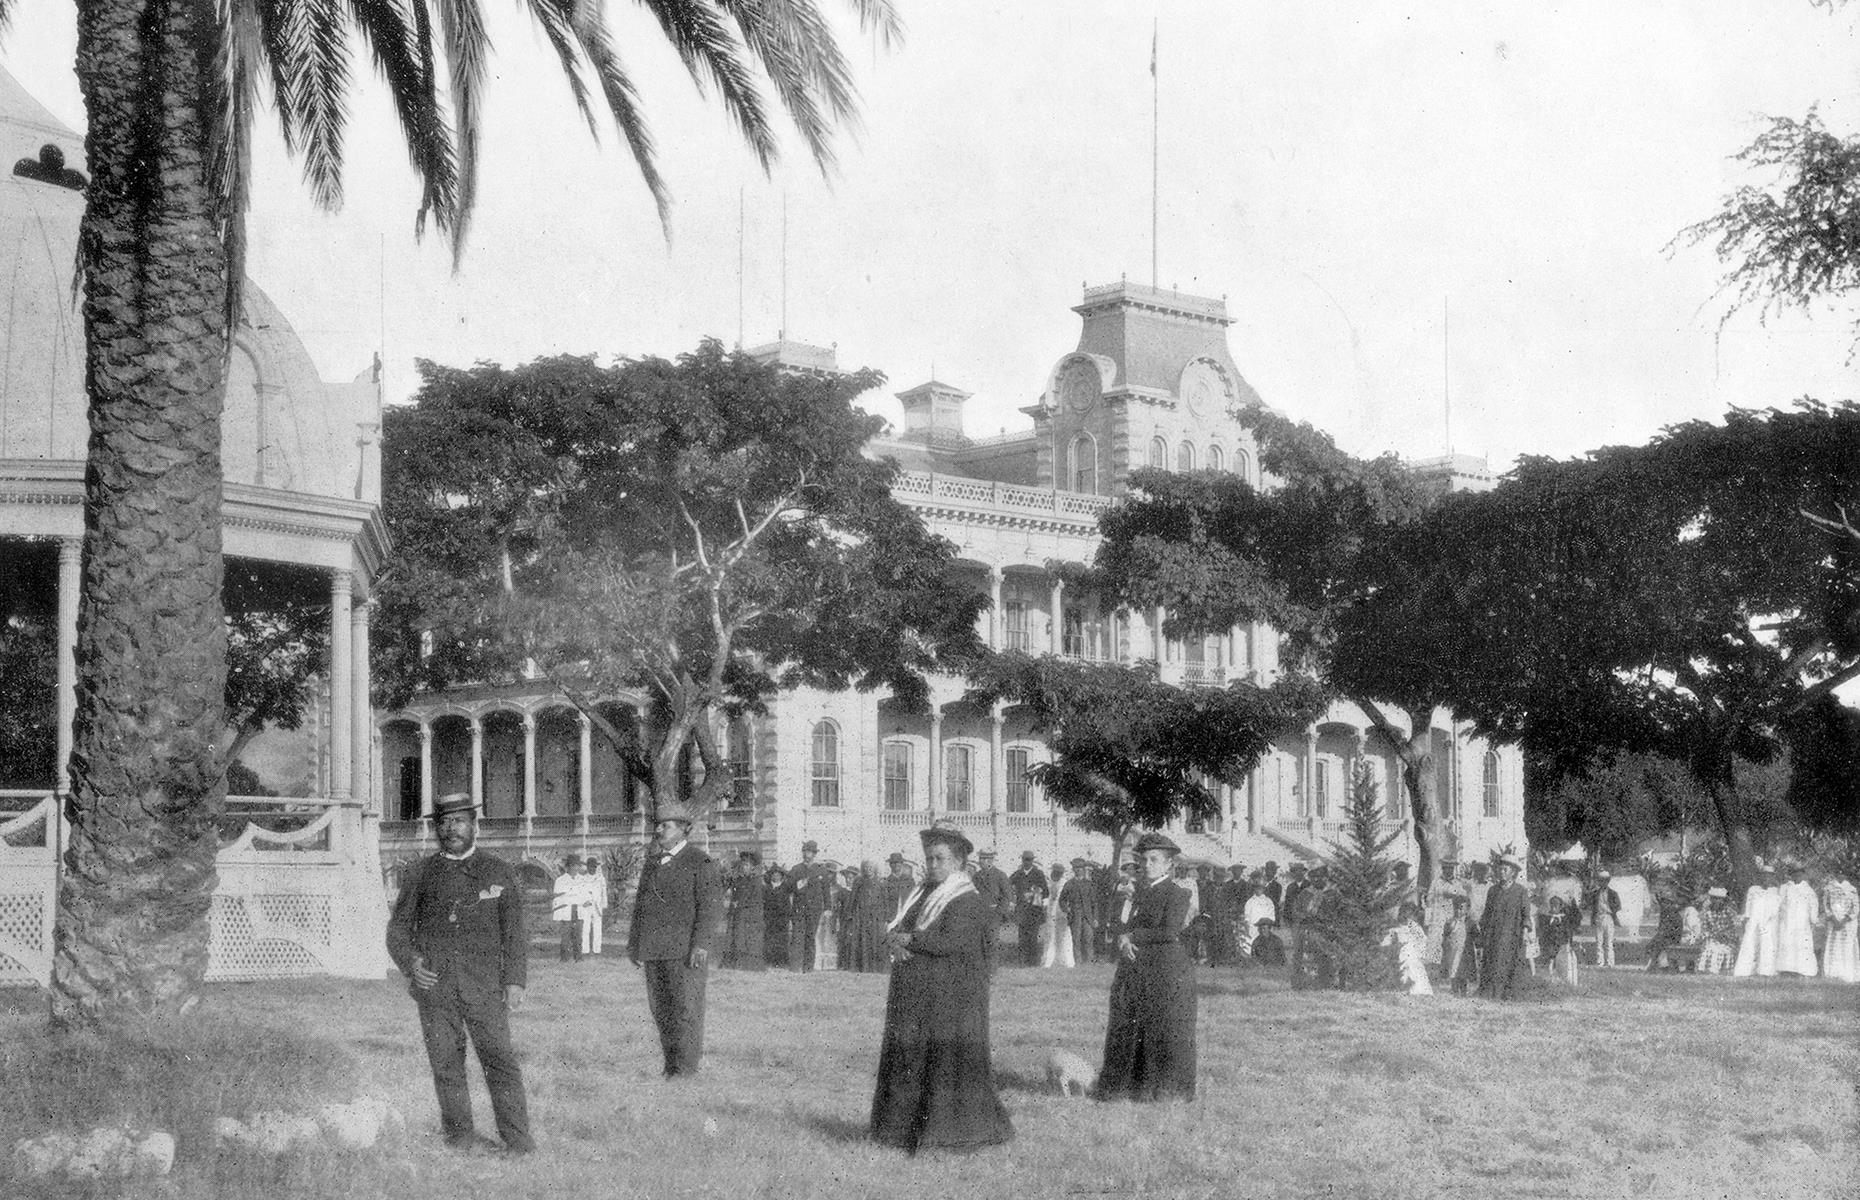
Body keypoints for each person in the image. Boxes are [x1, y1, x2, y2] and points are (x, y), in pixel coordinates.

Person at [385, 793, 534, 1155]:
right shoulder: (421, 872)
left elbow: (515, 932)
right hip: (435, 988)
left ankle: (518, 1142)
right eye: (444, 822)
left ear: (474, 825)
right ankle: (460, 1138)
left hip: (485, 987)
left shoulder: (497, 871)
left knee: (500, 1060)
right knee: (446, 1064)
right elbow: (398, 930)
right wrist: (412, 964)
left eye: (459, 821)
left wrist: (514, 981)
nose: (451, 828)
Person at [869, 825, 1014, 1155]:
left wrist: (910, 941)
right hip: (919, 994)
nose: (933, 864)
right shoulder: (922, 894)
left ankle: (948, 1134)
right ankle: (899, 1133)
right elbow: (900, 928)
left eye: (941, 858)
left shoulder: (967, 899)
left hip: (952, 1000)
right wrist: (896, 942)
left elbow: (950, 942)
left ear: (960, 861)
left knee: (943, 1065)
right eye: (929, 858)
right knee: (911, 1060)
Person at [1096, 831, 1197, 1103]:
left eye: (1154, 860)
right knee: (1128, 1025)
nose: (1148, 865)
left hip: (1164, 970)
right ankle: (1128, 1085)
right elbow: (1122, 925)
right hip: (1134, 969)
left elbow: (1169, 931)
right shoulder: (1136, 892)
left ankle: (1166, 1088)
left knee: (1161, 1029)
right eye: (1145, 860)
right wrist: (1123, 937)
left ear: (1168, 865)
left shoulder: (1177, 893)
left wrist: (1132, 937)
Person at [627, 803, 724, 1077]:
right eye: (657, 825)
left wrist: (701, 944)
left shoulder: (699, 861)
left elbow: (710, 906)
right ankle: (671, 1067)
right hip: (654, 950)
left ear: (684, 830)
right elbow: (641, 906)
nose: (658, 830)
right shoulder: (653, 862)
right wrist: (635, 943)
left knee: (686, 1010)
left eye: (665, 826)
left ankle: (685, 1070)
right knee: (661, 1010)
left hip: (685, 952)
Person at [1477, 855, 1531, 1000]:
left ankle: (1508, 993)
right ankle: (1492, 993)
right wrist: (1482, 931)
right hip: (1494, 933)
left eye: (1505, 869)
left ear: (1513, 872)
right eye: (1500, 869)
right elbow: (1487, 913)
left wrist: (1525, 932)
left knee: (1509, 962)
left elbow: (1526, 914)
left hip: (1512, 934)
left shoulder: (1520, 891)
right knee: (1493, 961)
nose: (1501, 872)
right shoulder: (1493, 890)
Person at [786, 841, 835, 973]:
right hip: (799, 909)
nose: (806, 855)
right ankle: (795, 967)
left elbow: (826, 891)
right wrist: (798, 884)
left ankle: (808, 968)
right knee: (797, 937)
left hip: (814, 910)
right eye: (805, 852)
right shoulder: (796, 869)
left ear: (814, 854)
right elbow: (788, 887)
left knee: (810, 937)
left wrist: (828, 908)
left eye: (809, 852)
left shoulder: (821, 870)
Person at [1733, 869, 1781, 978]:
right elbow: (1748, 906)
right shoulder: (1753, 890)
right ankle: (1746, 970)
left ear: (1772, 877)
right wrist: (1747, 918)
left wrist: (1769, 919)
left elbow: (1776, 908)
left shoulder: (1775, 891)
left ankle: (1765, 970)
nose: (1766, 878)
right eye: (1763, 876)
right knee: (1750, 942)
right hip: (1754, 920)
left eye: (1769, 876)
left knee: (1767, 944)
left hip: (1769, 921)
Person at [1775, 864, 1821, 977]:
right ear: (1791, 875)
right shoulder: (1785, 888)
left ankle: (1802, 970)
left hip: (1802, 922)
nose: (1797, 876)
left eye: (1799, 874)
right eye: (1794, 874)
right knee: (1787, 943)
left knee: (1801, 944)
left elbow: (1813, 905)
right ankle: (1786, 969)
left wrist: (1813, 919)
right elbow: (1778, 903)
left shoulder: (1808, 890)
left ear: (1803, 875)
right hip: (1787, 921)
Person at [724, 851, 766, 970]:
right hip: (739, 915)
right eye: (743, 865)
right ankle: (737, 964)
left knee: (750, 941)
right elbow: (734, 896)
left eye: (747, 865)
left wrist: (740, 904)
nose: (744, 868)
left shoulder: (756, 881)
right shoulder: (738, 880)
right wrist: (733, 906)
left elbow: (756, 900)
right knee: (738, 939)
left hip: (752, 917)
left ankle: (750, 965)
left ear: (753, 867)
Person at [1009, 851, 1050, 967]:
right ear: (1022, 860)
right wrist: (1012, 900)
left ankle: (1033, 962)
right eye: (1025, 860)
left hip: (1034, 910)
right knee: (1022, 937)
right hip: (1022, 910)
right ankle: (1022, 962)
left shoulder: (1039, 874)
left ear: (1032, 861)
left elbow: (1046, 891)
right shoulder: (1017, 874)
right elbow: (1007, 885)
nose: (1027, 862)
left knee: (1033, 937)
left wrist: (1038, 894)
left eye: (1029, 860)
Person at [1384, 902, 1433, 994]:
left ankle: (1416, 989)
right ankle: (1402, 988)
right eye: (1403, 914)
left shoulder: (1414, 927)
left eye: (1409, 915)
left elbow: (1422, 940)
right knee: (1402, 967)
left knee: (1413, 966)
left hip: (1412, 952)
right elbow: (1387, 941)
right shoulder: (1395, 927)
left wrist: (1421, 953)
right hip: (1399, 952)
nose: (1405, 917)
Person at [1820, 873, 1858, 983]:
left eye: (1843, 874)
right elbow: (1825, 905)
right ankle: (1832, 973)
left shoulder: (1852, 889)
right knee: (1833, 945)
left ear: (1846, 877)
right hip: (1833, 922)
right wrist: (1834, 919)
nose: (1841, 876)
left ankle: (1847, 974)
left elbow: (1855, 907)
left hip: (1847, 923)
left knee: (1846, 946)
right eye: (1838, 874)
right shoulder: (1828, 888)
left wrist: (1844, 920)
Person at [1060, 859, 1099, 965]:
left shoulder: (1089, 884)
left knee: (1088, 939)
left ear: (1083, 869)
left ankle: (1089, 963)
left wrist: (1095, 918)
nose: (1078, 871)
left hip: (1088, 917)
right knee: (1076, 940)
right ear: (1073, 870)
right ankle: (1078, 963)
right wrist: (1066, 909)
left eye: (1080, 868)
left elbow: (1094, 903)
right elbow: (1062, 899)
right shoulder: (1069, 884)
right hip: (1075, 916)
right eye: (1076, 869)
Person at [552, 857, 589, 964]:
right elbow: (557, 898)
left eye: (576, 865)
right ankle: (564, 958)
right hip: (566, 911)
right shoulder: (560, 880)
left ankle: (578, 957)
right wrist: (558, 912)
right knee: (565, 937)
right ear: (567, 867)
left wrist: (587, 901)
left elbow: (587, 895)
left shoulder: (582, 880)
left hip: (579, 909)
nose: (574, 868)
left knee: (578, 936)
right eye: (572, 866)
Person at [1040, 863, 1076, 968]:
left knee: (1065, 936)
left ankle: (1067, 961)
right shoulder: (1049, 882)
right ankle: (1048, 961)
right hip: (1051, 913)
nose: (1056, 874)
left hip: (1062, 913)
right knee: (1050, 936)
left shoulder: (1065, 883)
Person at [1698, 887, 1739, 975]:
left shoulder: (1729, 912)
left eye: (1719, 899)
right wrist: (1712, 936)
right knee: (1711, 949)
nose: (1717, 901)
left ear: (1724, 900)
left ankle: (1719, 971)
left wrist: (1726, 935)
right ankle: (1709, 971)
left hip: (1727, 941)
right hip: (1712, 939)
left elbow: (1735, 929)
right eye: (1714, 898)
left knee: (1722, 950)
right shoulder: (1706, 912)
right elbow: (1704, 929)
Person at [1586, 869, 1621, 967]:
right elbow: (1592, 906)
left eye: (1605, 880)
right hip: (1598, 917)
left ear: (1608, 881)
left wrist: (1611, 910)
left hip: (1608, 917)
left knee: (1609, 941)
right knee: (1599, 941)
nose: (1602, 882)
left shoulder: (1613, 893)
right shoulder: (1595, 893)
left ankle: (1610, 962)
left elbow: (1618, 905)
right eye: (1600, 880)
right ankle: (1600, 962)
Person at [1440, 894, 1473, 994]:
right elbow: (1445, 935)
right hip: (1453, 951)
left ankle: (1463, 991)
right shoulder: (1450, 922)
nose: (1458, 911)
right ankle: (1454, 990)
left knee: (1463, 971)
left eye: (1461, 909)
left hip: (1464, 951)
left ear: (1467, 910)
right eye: (1456, 908)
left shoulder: (1470, 923)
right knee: (1453, 970)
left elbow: (1475, 935)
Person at [763, 865, 794, 970]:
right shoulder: (767, 888)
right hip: (770, 919)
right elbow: (764, 903)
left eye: (778, 874)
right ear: (770, 875)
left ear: (781, 876)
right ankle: (769, 961)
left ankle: (781, 962)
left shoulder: (785, 887)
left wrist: (786, 918)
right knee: (769, 940)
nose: (776, 876)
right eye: (773, 874)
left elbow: (787, 904)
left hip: (782, 919)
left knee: (781, 940)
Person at [584, 856, 609, 955]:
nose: (592, 869)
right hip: (586, 906)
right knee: (586, 928)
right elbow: (581, 892)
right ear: (587, 867)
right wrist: (583, 902)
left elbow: (604, 892)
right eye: (590, 866)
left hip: (597, 906)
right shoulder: (583, 878)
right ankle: (585, 949)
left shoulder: (600, 878)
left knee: (597, 928)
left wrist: (604, 905)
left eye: (594, 867)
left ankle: (597, 949)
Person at [882, 853, 916, 920]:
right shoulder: (886, 883)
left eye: (898, 862)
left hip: (907, 918)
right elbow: (884, 903)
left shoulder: (909, 881)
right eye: (893, 863)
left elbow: (913, 899)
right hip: (891, 919)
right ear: (890, 865)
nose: (896, 865)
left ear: (902, 864)